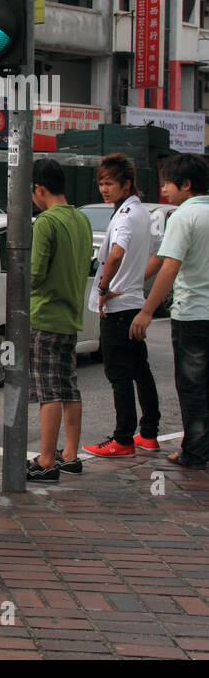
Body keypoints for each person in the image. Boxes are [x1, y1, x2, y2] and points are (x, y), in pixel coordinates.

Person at [131, 153, 209, 469]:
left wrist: (147, 310)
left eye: (168, 182)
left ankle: (194, 452)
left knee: (192, 387)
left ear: (186, 184)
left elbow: (169, 266)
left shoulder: (183, 217)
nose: (164, 190)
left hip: (192, 315)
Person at [83, 154, 161, 457]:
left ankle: (123, 438)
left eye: (110, 183)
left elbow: (116, 253)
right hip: (132, 299)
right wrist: (134, 280)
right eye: (101, 183)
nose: (104, 189)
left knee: (118, 373)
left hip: (117, 306)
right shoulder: (142, 212)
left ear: (126, 183)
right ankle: (149, 432)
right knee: (140, 369)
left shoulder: (126, 215)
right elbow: (156, 256)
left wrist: (104, 287)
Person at [26, 157, 94, 482]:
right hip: (70, 316)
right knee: (68, 386)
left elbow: (35, 273)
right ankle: (70, 454)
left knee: (46, 389)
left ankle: (46, 459)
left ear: (40, 188)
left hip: (45, 315)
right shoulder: (81, 220)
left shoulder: (46, 223)